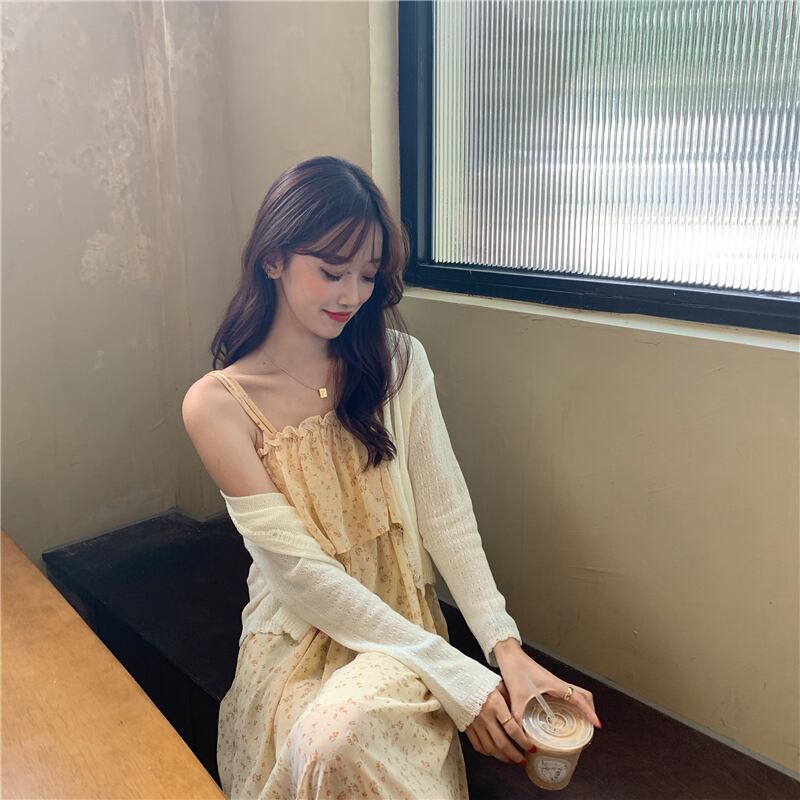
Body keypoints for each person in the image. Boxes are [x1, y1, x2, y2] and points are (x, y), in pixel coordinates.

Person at [182, 155, 601, 799]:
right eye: (331, 271)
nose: (351, 295)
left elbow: (444, 512)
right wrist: (457, 676)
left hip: (401, 621)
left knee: (339, 736)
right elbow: (299, 575)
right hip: (297, 636)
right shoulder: (218, 404)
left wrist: (505, 649)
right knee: (325, 739)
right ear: (272, 259)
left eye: (368, 274)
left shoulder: (399, 363)